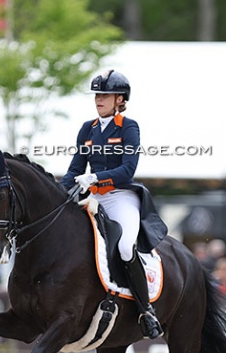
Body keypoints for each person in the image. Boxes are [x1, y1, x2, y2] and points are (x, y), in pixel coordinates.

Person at [59, 69, 167, 339]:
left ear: (120, 99)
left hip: (120, 197)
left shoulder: (128, 127)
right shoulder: (88, 129)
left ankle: (146, 311)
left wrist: (96, 176)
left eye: (105, 95)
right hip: (93, 198)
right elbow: (74, 169)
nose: (99, 99)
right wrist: (57, 192)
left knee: (124, 247)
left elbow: (128, 169)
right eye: (97, 94)